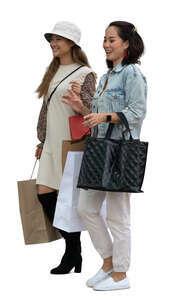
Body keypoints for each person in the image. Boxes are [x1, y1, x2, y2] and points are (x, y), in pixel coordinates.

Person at [62, 21, 147, 290]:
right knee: (86, 207)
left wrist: (105, 116)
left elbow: (137, 112)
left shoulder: (132, 74)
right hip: (99, 150)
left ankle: (121, 274)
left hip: (120, 152)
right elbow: (96, 117)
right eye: (104, 39)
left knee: (118, 216)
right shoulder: (107, 76)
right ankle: (108, 262)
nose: (106, 44)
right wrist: (81, 106)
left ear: (126, 44)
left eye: (112, 40)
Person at [35, 21, 96, 274]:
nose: (53, 43)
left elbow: (93, 112)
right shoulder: (54, 70)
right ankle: (74, 252)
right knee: (44, 195)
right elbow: (46, 109)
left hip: (71, 144)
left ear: (72, 43)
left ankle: (72, 255)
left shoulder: (85, 73)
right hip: (51, 143)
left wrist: (79, 101)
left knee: (67, 200)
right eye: (51, 39)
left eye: (58, 39)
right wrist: (41, 140)